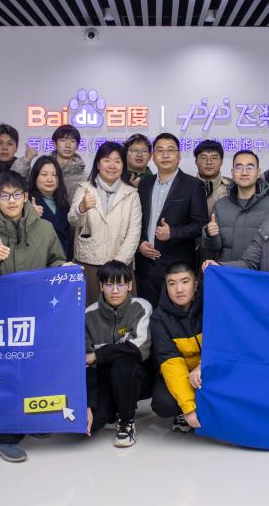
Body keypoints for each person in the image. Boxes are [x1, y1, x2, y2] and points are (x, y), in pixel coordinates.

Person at [0, 170, 68, 462]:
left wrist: (62, 269)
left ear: (26, 197)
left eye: (16, 194)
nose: (11, 200)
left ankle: (33, 419)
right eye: (4, 195)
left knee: (36, 369)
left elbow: (56, 260)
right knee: (5, 375)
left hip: (38, 314)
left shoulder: (45, 229)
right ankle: (5, 437)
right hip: (1, 319)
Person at [84, 261, 154, 447]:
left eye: (120, 284)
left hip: (136, 375)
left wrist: (98, 354)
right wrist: (88, 404)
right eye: (109, 285)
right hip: (104, 378)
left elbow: (138, 349)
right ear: (101, 286)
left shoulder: (141, 307)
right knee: (91, 424)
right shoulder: (88, 315)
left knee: (123, 363)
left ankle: (126, 422)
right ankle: (113, 407)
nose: (115, 291)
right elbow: (87, 364)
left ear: (129, 285)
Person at [136, 133, 209, 306]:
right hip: (146, 267)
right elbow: (137, 221)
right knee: (148, 315)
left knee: (177, 317)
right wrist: (140, 243)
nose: (165, 155)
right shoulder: (145, 184)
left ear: (179, 155)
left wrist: (173, 233)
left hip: (177, 269)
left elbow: (201, 225)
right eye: (160, 151)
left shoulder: (193, 185)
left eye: (170, 150)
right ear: (153, 156)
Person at [68, 142, 142, 305]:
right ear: (98, 164)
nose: (112, 165)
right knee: (89, 313)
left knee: (121, 315)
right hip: (89, 265)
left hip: (121, 267)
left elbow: (134, 233)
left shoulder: (131, 194)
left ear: (123, 165)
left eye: (117, 161)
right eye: (107, 160)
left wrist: (117, 266)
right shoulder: (84, 188)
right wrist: (82, 208)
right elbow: (73, 221)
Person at [150, 262, 203, 434]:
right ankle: (183, 412)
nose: (179, 289)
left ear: (195, 284)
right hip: (181, 374)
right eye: (172, 284)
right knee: (163, 403)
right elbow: (170, 362)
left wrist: (203, 365)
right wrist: (188, 407)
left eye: (185, 282)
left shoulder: (209, 306)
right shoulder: (158, 317)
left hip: (206, 370)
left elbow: (221, 347)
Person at [201, 150, 269, 264]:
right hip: (227, 271)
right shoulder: (220, 205)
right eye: (239, 168)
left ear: (258, 172)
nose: (244, 173)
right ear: (232, 172)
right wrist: (210, 235)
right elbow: (213, 248)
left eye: (250, 168)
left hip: (259, 272)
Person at [13, 124, 87, 202]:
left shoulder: (84, 176)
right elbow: (13, 180)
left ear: (77, 146)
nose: (68, 145)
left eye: (72, 141)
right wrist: (26, 160)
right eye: (63, 140)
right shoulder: (42, 167)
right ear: (54, 144)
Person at [27, 155, 74, 263]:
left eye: (54, 175)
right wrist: (28, 215)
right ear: (35, 177)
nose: (50, 179)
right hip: (39, 262)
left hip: (62, 262)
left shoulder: (64, 203)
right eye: (44, 174)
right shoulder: (26, 202)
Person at [194, 140, 232, 213]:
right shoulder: (186, 187)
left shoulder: (232, 187)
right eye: (203, 158)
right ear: (196, 161)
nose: (209, 162)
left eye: (214, 158)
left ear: (221, 161)